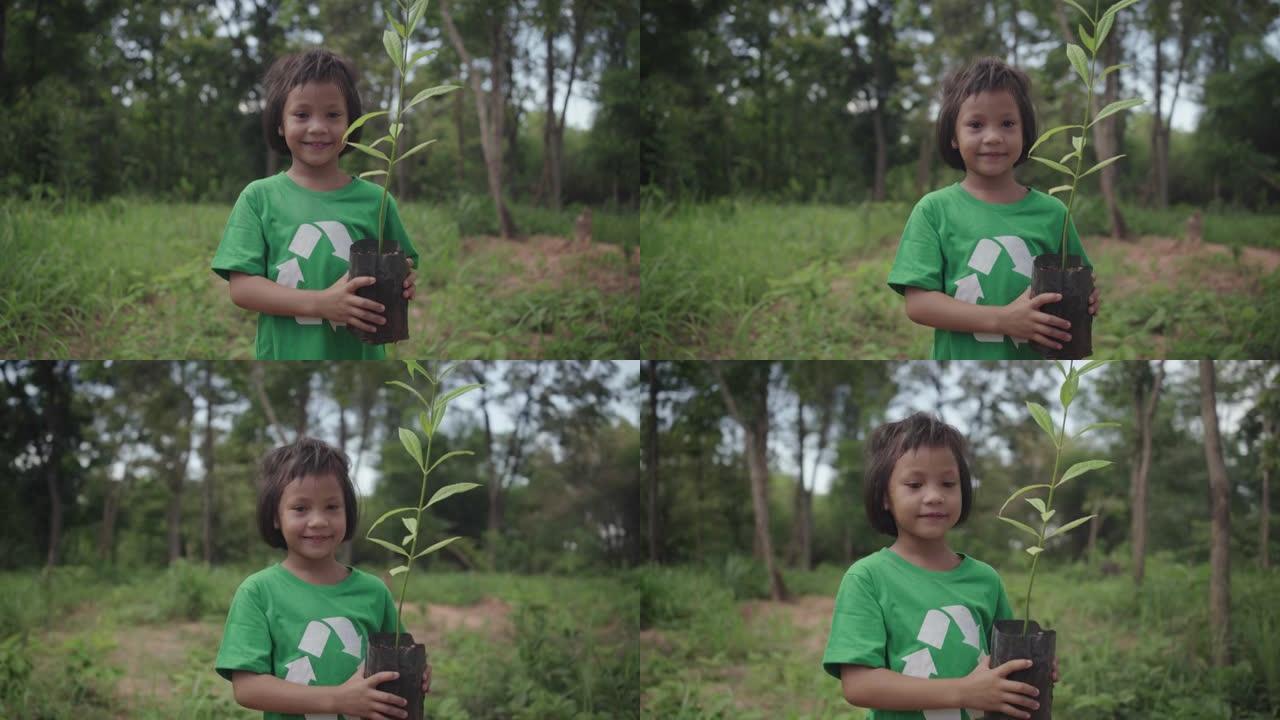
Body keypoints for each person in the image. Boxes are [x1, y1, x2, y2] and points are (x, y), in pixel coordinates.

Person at [822, 413, 1059, 720]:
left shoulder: (985, 579)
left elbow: (1000, 665)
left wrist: (1028, 665)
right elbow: (859, 684)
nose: (934, 496)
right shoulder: (867, 578)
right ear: (885, 497)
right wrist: (964, 691)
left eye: (948, 483)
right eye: (914, 484)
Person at [888, 57, 1101, 359]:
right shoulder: (933, 210)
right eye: (975, 125)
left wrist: (1088, 297)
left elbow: (1080, 278)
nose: (993, 137)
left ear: (1026, 133)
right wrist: (1004, 320)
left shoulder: (1053, 213)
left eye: (1008, 123)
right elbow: (918, 303)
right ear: (953, 136)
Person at [212, 48, 418, 360]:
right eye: (302, 114)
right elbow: (241, 288)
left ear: (352, 123)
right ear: (280, 123)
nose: (318, 127)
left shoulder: (377, 200)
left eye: (333, 115)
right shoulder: (259, 197)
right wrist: (321, 303)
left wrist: (404, 280)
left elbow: (403, 263)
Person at [216, 438, 430, 720]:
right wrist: (338, 700)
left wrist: (416, 670)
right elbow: (247, 688)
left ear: (348, 512)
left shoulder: (373, 592)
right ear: (276, 517)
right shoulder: (258, 592)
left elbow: (398, 654)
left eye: (332, 507)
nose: (318, 521)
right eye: (300, 508)